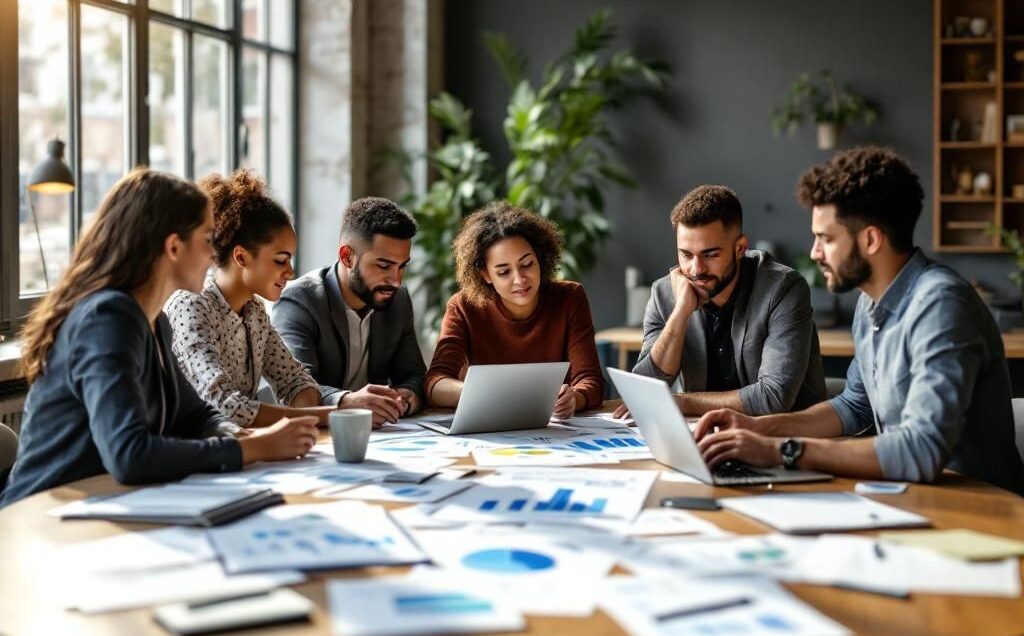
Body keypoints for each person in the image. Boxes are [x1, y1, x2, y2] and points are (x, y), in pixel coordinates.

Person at [694, 147, 1024, 495]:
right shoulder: (870, 305)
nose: (814, 253)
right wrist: (758, 428)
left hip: (981, 513)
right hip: (913, 502)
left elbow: (922, 450)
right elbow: (854, 407)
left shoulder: (941, 305)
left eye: (826, 238)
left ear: (870, 239)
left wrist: (782, 450)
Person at [1, 169, 317, 507]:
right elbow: (129, 454)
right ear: (173, 247)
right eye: (208, 240)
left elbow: (196, 414)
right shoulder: (107, 317)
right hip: (43, 514)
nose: (213, 256)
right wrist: (251, 448)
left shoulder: (156, 320)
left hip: (108, 503)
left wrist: (234, 434)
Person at [616, 184, 825, 419]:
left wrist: (683, 403)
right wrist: (680, 313)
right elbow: (646, 390)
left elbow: (773, 397)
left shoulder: (783, 288)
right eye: (686, 254)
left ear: (740, 248)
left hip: (785, 440)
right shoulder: (664, 292)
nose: (696, 269)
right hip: (706, 437)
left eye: (710, 254)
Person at [165, 169, 336, 428]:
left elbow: (296, 381)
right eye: (281, 260)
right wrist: (321, 417)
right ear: (241, 257)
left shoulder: (254, 311)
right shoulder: (191, 305)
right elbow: (225, 405)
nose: (290, 271)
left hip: (245, 451)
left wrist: (305, 417)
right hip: (195, 455)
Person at [425, 202, 604, 417]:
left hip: (553, 429)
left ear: (540, 258)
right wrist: (480, 393)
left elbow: (591, 381)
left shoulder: (569, 298)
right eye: (503, 272)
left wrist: (573, 398)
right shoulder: (463, 306)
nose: (519, 280)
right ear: (486, 275)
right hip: (490, 425)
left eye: (527, 264)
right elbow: (435, 383)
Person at [271, 197, 425, 429]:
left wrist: (407, 395)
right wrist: (346, 401)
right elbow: (297, 390)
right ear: (347, 256)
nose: (395, 280)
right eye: (384, 266)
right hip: (311, 434)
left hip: (380, 436)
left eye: (402, 266)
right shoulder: (299, 302)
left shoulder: (398, 299)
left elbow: (414, 374)